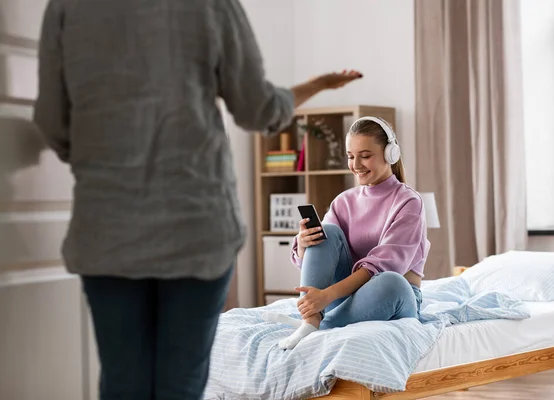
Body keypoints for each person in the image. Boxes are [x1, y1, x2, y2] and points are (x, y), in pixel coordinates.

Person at [33, 0, 361, 398]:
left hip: (108, 228)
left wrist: (106, 162)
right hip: (196, 227)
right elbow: (260, 110)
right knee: (181, 382)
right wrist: (318, 84)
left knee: (123, 378)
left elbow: (52, 123)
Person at [264, 117, 430, 350]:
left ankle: (322, 324)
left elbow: (382, 265)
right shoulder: (344, 201)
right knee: (327, 231)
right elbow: (320, 260)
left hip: (387, 296)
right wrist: (303, 244)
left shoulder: (408, 202)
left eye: (365, 155)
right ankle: (310, 321)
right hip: (341, 299)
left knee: (392, 282)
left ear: (390, 154)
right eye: (351, 156)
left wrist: (326, 296)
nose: (356, 164)